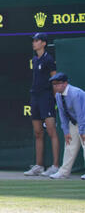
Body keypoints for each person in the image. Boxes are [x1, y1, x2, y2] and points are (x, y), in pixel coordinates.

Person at [24, 33, 60, 177]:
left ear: (43, 43)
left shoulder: (49, 59)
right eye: (33, 41)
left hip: (46, 97)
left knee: (51, 131)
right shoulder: (34, 59)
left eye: (37, 41)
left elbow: (55, 79)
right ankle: (39, 166)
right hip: (35, 97)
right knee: (38, 132)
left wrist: (55, 98)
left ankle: (56, 166)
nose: (34, 43)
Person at [48, 73, 85, 180]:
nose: (55, 86)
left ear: (65, 83)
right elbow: (62, 114)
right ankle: (64, 172)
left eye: (58, 84)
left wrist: (82, 131)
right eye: (54, 84)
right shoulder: (58, 96)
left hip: (83, 120)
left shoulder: (75, 94)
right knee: (69, 146)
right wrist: (66, 131)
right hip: (74, 122)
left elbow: (81, 114)